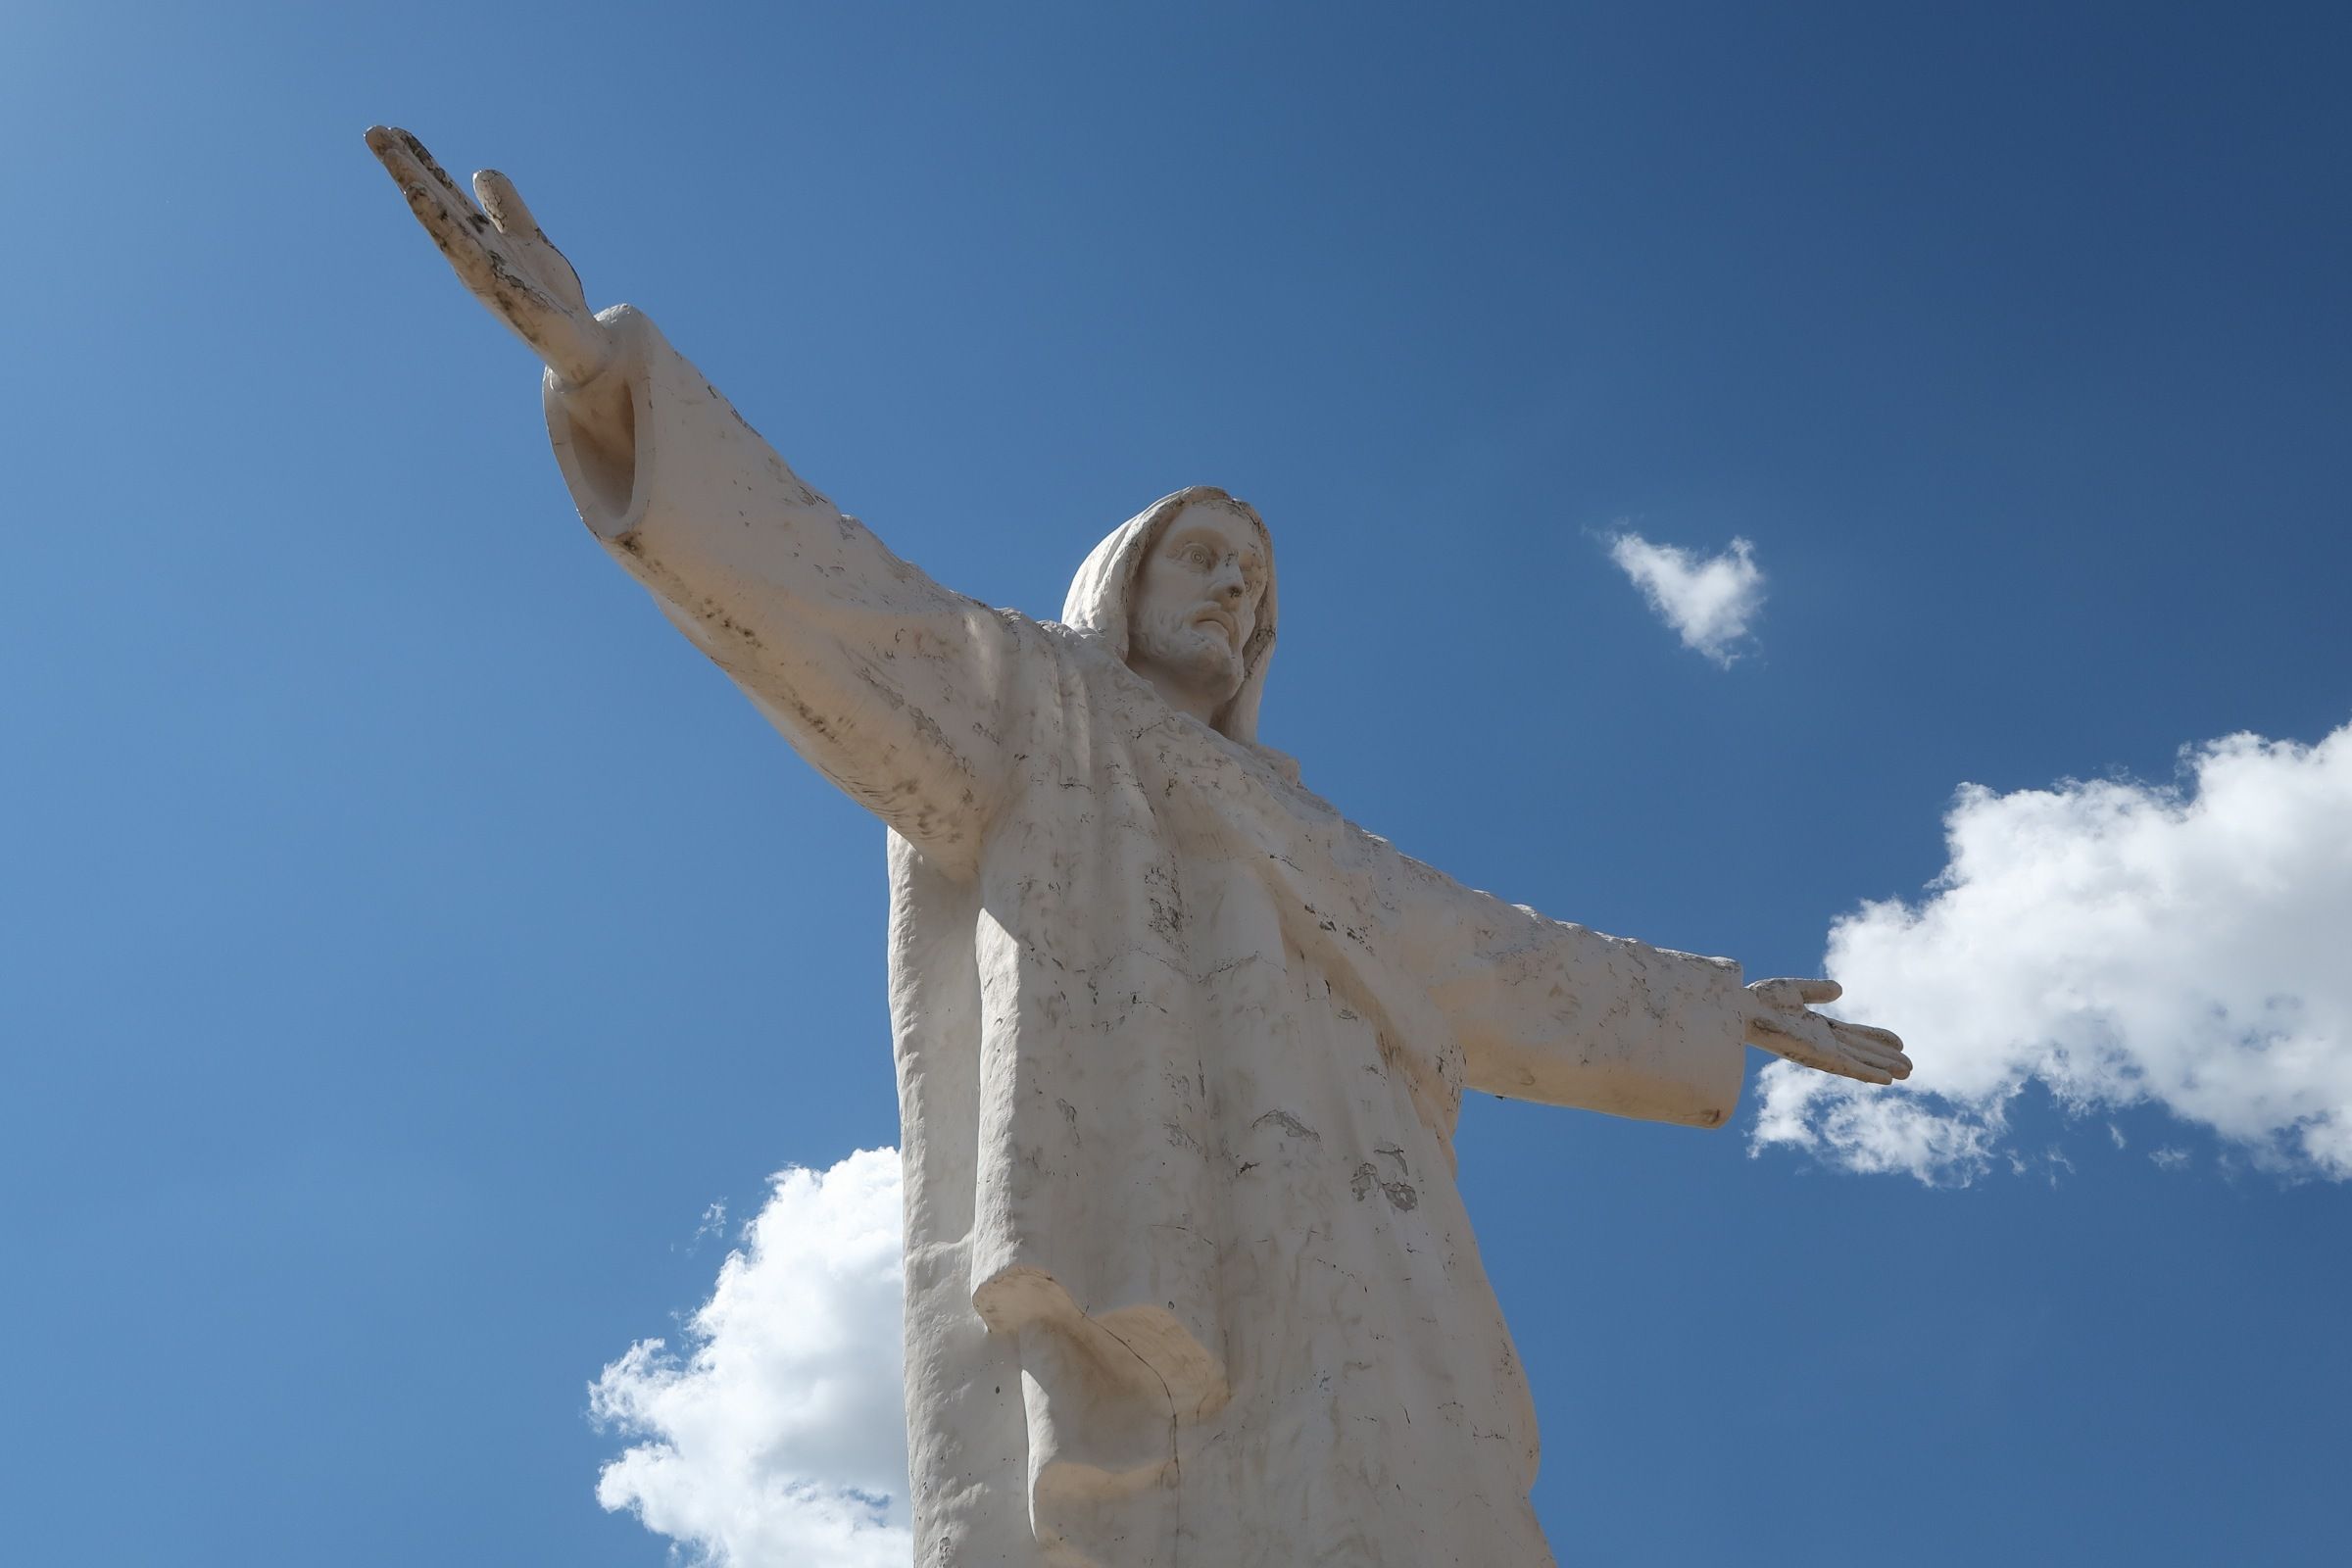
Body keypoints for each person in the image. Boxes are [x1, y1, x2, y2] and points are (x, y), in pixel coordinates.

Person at [366, 127, 1910, 1568]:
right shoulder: (1031, 704)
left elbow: (1476, 951)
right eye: (1207, 558)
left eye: (1258, 586)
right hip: (1156, 1208)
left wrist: (1710, 1007)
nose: (1236, 592)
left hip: (1359, 1224)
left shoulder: (1302, 828)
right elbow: (833, 602)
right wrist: (603, 375)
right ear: (1123, 579)